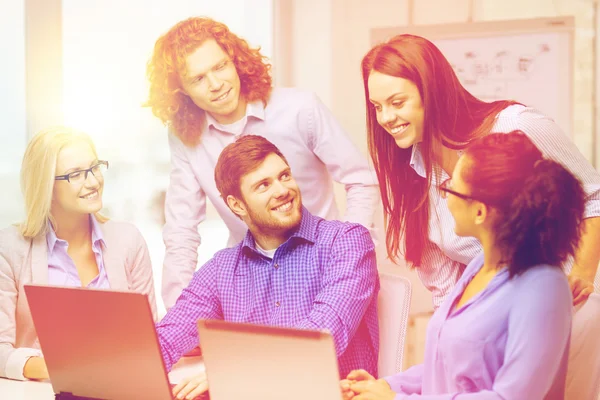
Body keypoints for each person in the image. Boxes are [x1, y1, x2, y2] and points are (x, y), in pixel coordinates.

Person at [145, 17, 380, 310]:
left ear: (235, 60)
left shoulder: (300, 108)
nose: (216, 85)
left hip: (324, 272)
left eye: (220, 67)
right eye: (198, 78)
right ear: (181, 92)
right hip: (250, 287)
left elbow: (360, 178)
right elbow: (181, 229)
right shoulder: (184, 137)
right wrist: (181, 309)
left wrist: (348, 255)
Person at [362, 34, 600, 309]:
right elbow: (446, 291)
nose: (385, 118)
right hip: (500, 319)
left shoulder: (514, 125)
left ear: (432, 92)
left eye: (397, 102)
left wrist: (581, 275)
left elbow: (593, 197)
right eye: (377, 107)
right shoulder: (410, 171)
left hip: (566, 307)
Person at [341, 131, 581, 399]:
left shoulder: (544, 288)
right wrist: (389, 386)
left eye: (450, 188)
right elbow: (448, 363)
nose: (445, 198)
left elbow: (510, 397)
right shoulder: (480, 265)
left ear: (479, 211)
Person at [155, 135, 380, 400]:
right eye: (263, 185)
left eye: (284, 176)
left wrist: (233, 371)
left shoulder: (346, 242)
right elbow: (168, 337)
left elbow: (321, 338)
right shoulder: (222, 269)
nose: (282, 190)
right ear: (237, 205)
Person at [0, 127, 157, 381]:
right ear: (45, 185)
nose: (94, 181)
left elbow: (150, 338)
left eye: (94, 167)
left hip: (121, 390)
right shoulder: (10, 248)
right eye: (76, 175)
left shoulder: (129, 241)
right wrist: (66, 369)